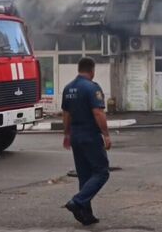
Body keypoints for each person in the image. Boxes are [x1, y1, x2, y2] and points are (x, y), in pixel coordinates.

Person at [61, 57, 111, 226]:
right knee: (102, 172)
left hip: (75, 135)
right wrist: (106, 134)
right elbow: (98, 113)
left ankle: (86, 214)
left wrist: (67, 134)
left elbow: (66, 115)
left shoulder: (68, 88)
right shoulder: (92, 88)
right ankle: (77, 201)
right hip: (90, 135)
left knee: (84, 176)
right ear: (92, 70)